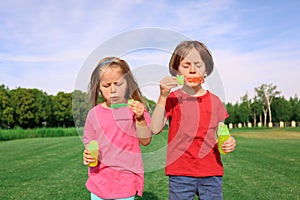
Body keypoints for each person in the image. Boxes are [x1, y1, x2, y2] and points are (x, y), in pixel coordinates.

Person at [150, 41, 236, 200]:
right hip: (180, 173)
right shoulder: (172, 99)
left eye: (198, 65)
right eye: (185, 65)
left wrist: (229, 141)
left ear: (206, 70)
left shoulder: (215, 101)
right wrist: (162, 96)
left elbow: (222, 133)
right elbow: (154, 128)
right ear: (176, 71)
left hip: (211, 172)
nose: (192, 70)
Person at [82, 57, 152, 200]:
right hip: (99, 181)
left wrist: (140, 118)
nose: (113, 90)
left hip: (125, 183)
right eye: (107, 85)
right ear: (99, 87)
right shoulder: (93, 114)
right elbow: (90, 143)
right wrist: (87, 155)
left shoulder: (135, 109)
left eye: (118, 84)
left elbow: (146, 140)